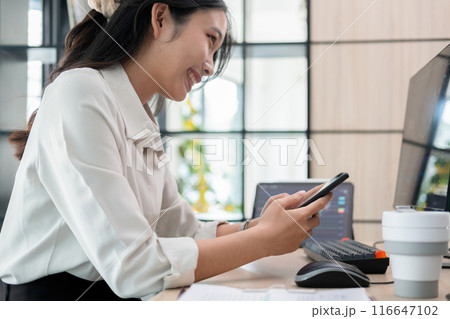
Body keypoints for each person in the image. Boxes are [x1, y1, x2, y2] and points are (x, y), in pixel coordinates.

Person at [0, 0, 331, 301]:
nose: (210, 67)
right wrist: (263, 241)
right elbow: (134, 267)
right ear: (160, 18)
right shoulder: (79, 92)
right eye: (210, 40)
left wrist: (258, 227)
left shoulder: (140, 116)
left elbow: (180, 229)